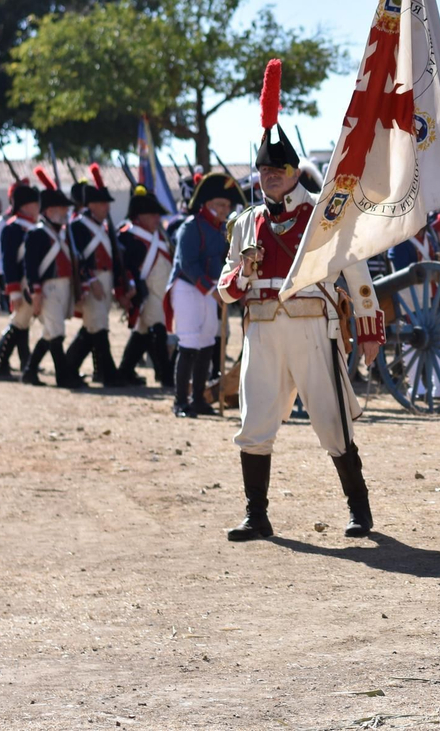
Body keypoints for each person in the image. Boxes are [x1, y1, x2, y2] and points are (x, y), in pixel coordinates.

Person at [217, 61, 387, 541]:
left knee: (332, 421)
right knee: (254, 422)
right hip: (262, 330)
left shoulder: (322, 214)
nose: (270, 176)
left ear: (295, 172)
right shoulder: (246, 223)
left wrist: (369, 330)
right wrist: (243, 273)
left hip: (314, 326)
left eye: (279, 169)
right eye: (264, 170)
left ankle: (359, 510)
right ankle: (257, 514)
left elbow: (357, 273)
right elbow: (225, 288)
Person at [170, 172, 239, 417]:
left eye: (227, 205)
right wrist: (211, 289)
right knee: (189, 343)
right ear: (207, 204)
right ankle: (180, 401)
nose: (225, 209)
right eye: (220, 204)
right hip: (189, 288)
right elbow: (187, 264)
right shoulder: (191, 227)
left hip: (210, 289)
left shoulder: (222, 230)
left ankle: (198, 399)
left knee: (208, 342)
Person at [20, 170, 81, 389]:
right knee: (57, 333)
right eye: (61, 208)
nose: (66, 212)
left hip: (64, 287)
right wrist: (35, 292)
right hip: (47, 289)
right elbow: (31, 267)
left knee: (49, 332)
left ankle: (29, 371)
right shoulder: (36, 234)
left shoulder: (63, 234)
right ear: (49, 211)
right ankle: (63, 377)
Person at [60, 167, 121, 386]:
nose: (107, 208)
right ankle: (109, 375)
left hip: (105, 279)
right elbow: (76, 258)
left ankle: (69, 368)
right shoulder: (78, 226)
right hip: (92, 281)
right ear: (92, 205)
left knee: (93, 328)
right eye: (103, 204)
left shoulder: (102, 226)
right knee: (97, 328)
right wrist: (91, 281)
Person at [117, 185, 174, 387]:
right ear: (140, 216)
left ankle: (124, 371)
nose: (157, 218)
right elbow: (123, 267)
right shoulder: (128, 236)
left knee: (142, 332)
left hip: (162, 292)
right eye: (152, 214)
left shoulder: (160, 235)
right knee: (158, 330)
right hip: (146, 292)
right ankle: (166, 375)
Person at [0, 178, 42, 381]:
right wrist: (15, 292)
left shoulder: (33, 227)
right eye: (35, 204)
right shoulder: (13, 228)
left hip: (30, 284)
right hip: (21, 286)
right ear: (26, 206)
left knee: (21, 324)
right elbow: (9, 263)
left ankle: (5, 362)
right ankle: (2, 363)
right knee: (19, 323)